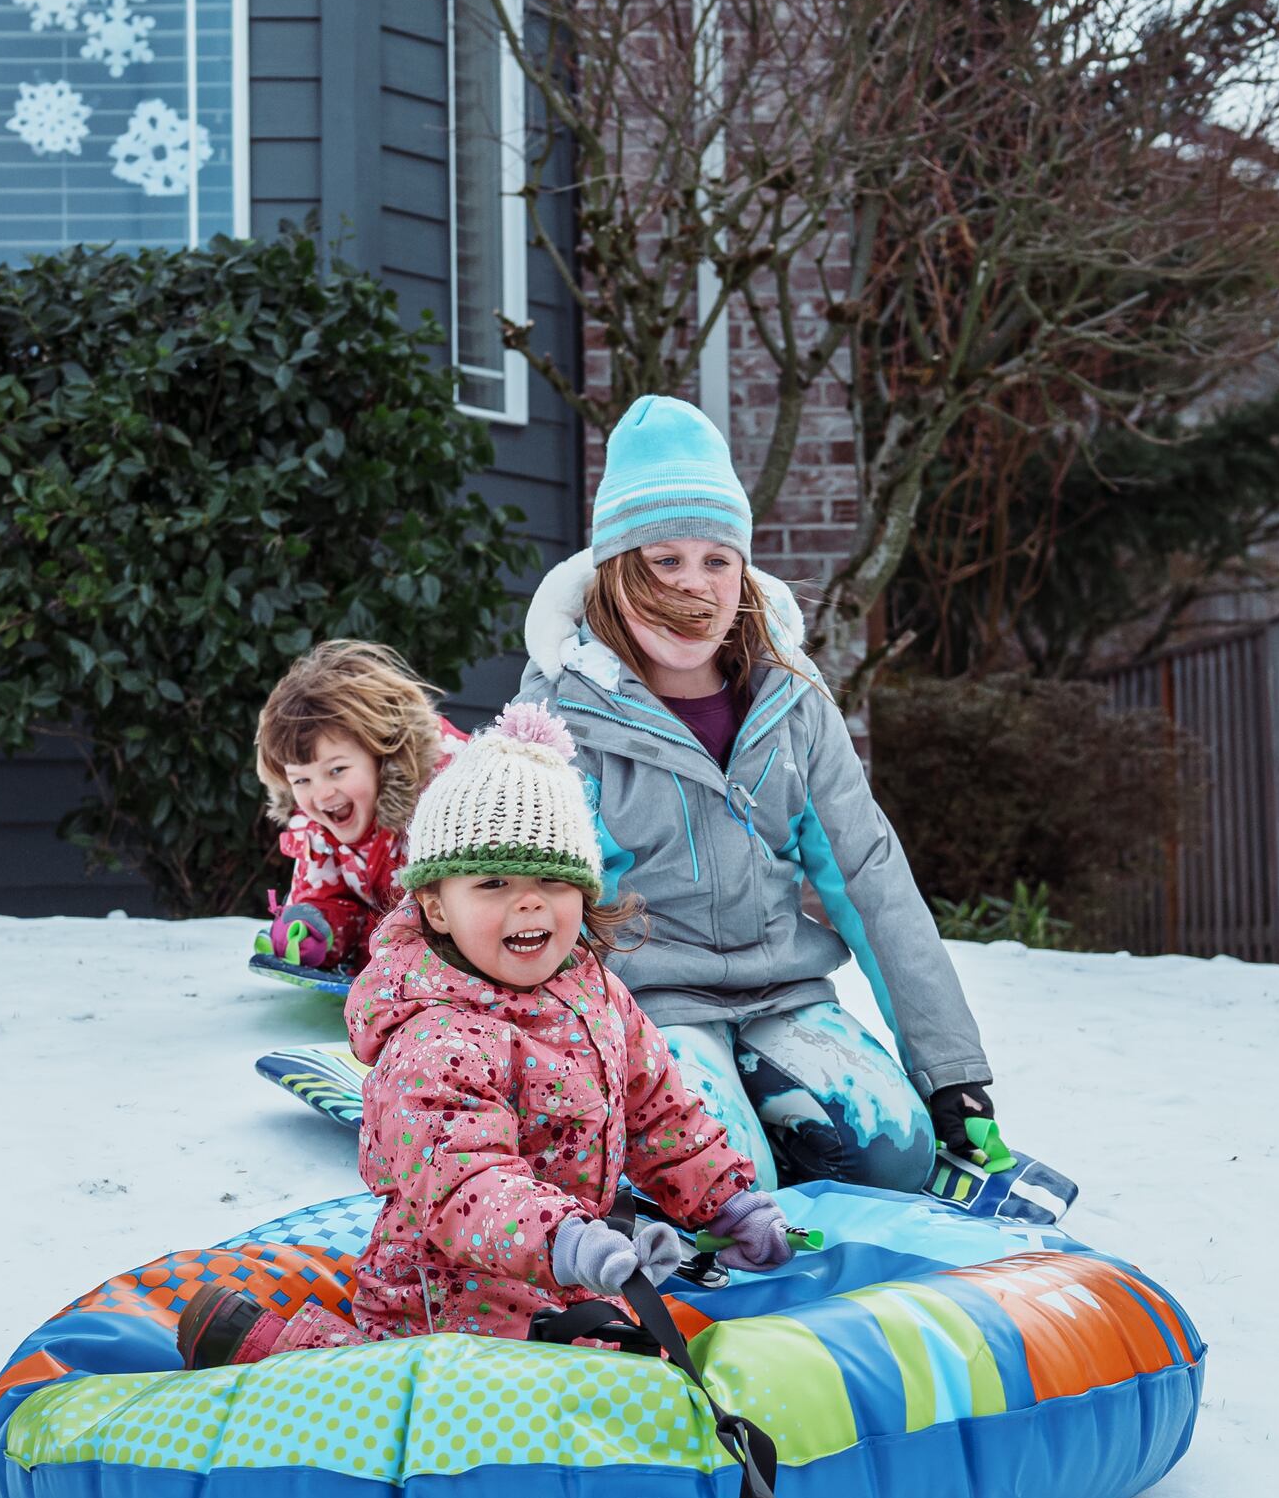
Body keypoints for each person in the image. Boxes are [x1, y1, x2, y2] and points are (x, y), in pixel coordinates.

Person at [181, 708, 787, 1367]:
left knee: (625, 1361)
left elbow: (658, 1114)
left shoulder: (596, 995)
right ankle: (282, 1353)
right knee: (507, 1385)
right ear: (437, 904)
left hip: (565, 1271)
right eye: (494, 882)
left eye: (552, 880)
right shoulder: (437, 1035)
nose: (528, 903)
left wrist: (727, 1203)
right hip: (447, 1296)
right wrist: (568, 1238)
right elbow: (465, 1179)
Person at [521, 398, 1000, 1198]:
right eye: (663, 560)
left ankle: (780, 1113)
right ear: (615, 569)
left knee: (897, 1154)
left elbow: (870, 877)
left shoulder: (793, 703)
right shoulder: (569, 712)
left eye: (717, 559)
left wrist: (950, 1070)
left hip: (782, 990)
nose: (694, 585)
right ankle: (706, 1152)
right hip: (651, 1006)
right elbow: (535, 902)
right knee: (724, 1181)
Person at [250, 640, 458, 976]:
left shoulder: (446, 804)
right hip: (385, 975)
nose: (321, 794)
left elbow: (464, 905)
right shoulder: (320, 827)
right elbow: (330, 894)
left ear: (383, 756)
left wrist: (379, 948)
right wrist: (316, 929)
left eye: (336, 770)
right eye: (302, 781)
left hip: (456, 973)